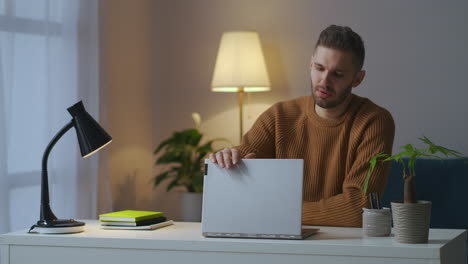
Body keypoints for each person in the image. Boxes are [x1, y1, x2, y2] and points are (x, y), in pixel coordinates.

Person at [209, 25, 395, 227]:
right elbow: (234, 175)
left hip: (343, 244)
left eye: (338, 74)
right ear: (310, 65)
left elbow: (358, 207)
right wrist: (225, 158)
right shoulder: (279, 116)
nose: (324, 81)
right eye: (319, 68)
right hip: (279, 239)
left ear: (357, 79)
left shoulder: (374, 121)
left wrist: (278, 212)